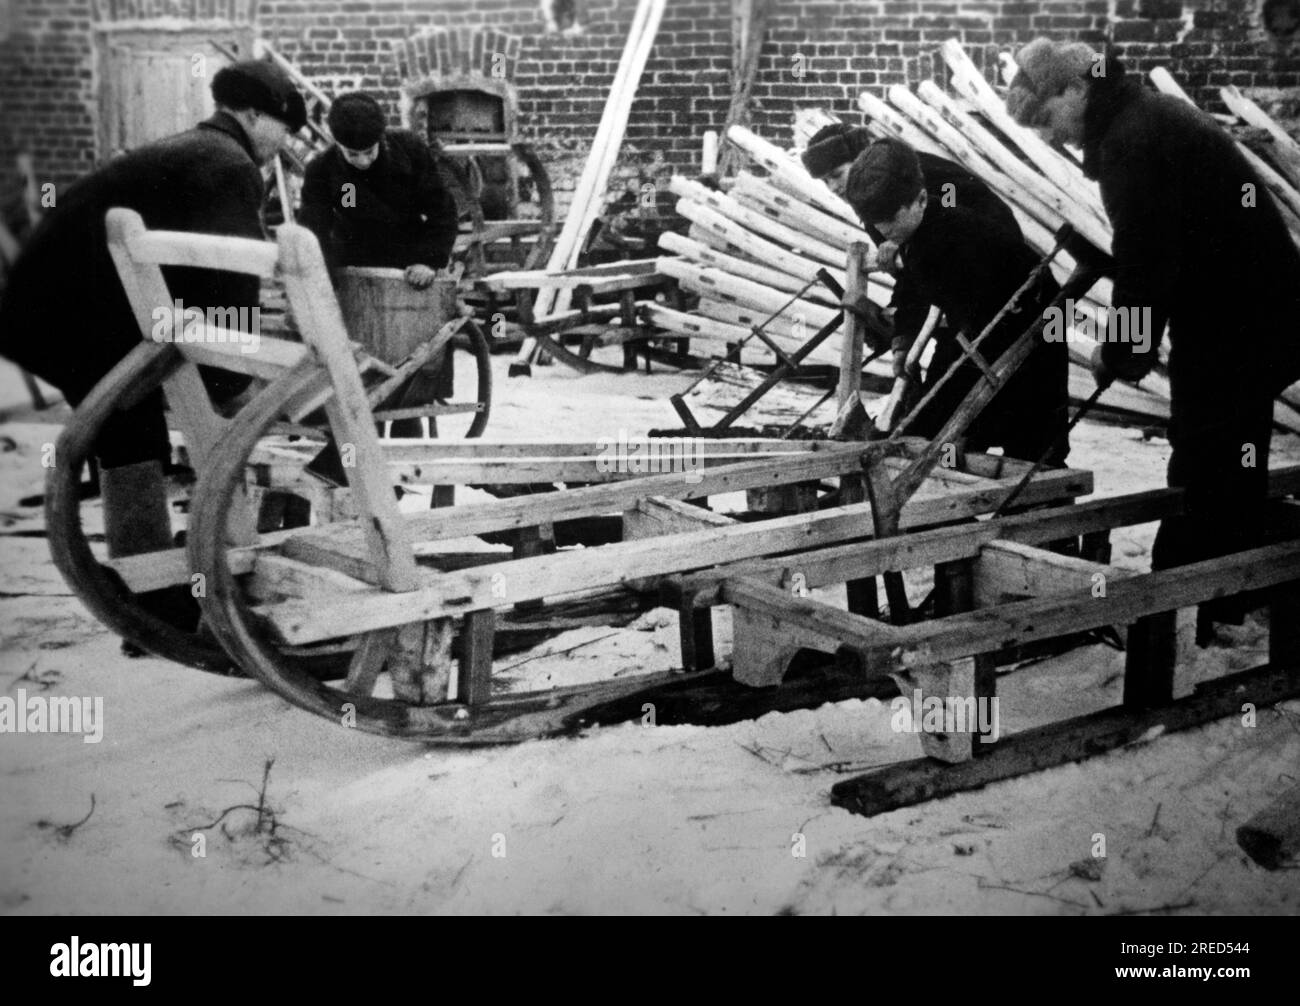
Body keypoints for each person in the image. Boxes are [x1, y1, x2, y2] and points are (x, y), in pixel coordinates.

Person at [0, 60, 305, 643]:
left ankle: (149, 593)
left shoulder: (191, 151)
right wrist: (229, 377)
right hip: (74, 313)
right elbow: (228, 274)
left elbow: (189, 266)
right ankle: (155, 598)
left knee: (126, 426)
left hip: (43, 309)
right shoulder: (230, 163)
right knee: (130, 420)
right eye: (282, 131)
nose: (282, 146)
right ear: (253, 116)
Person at [1005, 38, 1300, 632]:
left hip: (1242, 318)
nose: (1051, 136)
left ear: (1075, 88)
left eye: (1048, 119)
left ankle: (1188, 604)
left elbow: (1146, 264)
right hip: (1251, 309)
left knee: (1206, 456)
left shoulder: (1129, 142)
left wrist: (1123, 352)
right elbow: (1158, 248)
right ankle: (1226, 600)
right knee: (1224, 454)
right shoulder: (1141, 116)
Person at [844, 136, 1070, 466]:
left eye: (891, 221)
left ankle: (1043, 501)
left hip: (1035, 318)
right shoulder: (917, 231)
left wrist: (926, 417)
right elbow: (913, 287)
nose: (885, 233)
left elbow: (972, 341)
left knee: (1033, 438)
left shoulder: (958, 239)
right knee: (948, 428)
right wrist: (903, 341)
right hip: (985, 324)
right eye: (877, 226)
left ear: (921, 199)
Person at [299, 91, 458, 287]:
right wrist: (325, 276)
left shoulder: (410, 150)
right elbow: (314, 231)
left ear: (380, 139)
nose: (363, 161)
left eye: (369, 152)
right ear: (338, 145)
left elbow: (442, 210)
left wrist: (429, 260)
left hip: (409, 260)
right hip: (353, 261)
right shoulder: (321, 170)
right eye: (353, 154)